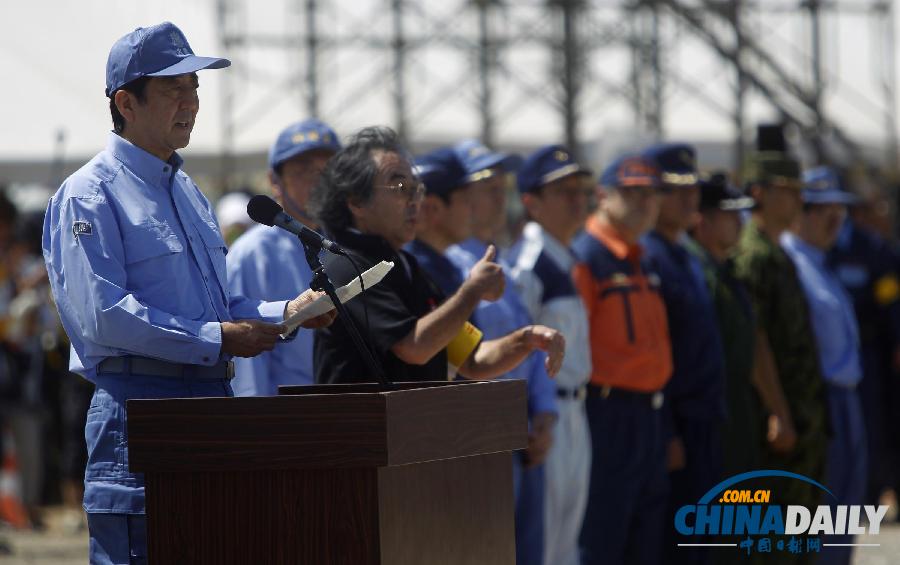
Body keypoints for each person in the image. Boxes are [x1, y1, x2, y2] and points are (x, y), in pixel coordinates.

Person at [41, 23, 335, 564]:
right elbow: (104, 318)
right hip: (139, 415)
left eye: (195, 88)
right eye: (176, 89)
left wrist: (287, 313)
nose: (192, 103)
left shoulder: (188, 192)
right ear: (126, 103)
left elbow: (217, 306)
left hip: (208, 412)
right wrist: (219, 337)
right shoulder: (88, 196)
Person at [309, 126, 565, 387]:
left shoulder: (405, 265)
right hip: (360, 426)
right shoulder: (345, 265)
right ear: (357, 202)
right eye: (400, 187)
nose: (414, 202)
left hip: (409, 425)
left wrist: (526, 340)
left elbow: (472, 360)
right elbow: (414, 347)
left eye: (416, 190)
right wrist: (473, 290)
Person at [422, 140, 559, 565]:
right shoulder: (433, 268)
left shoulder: (480, 265)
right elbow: (460, 358)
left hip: (516, 435)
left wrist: (542, 413)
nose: (500, 197)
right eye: (480, 188)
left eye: (504, 187)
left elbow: (474, 353)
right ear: (436, 204)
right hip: (472, 442)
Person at [572, 154, 672, 565]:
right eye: (632, 193)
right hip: (607, 413)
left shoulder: (643, 256)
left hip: (650, 415)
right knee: (604, 538)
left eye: (651, 194)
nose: (646, 203)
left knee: (646, 541)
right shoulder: (587, 257)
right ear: (603, 197)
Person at [731, 152, 828, 565]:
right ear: (759, 193)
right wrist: (778, 412)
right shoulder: (753, 257)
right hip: (778, 428)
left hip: (803, 421)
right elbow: (755, 342)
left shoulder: (780, 254)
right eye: (787, 191)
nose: (797, 202)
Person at [640, 143, 726, 565]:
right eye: (675, 189)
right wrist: (668, 430)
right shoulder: (648, 256)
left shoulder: (686, 256)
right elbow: (654, 353)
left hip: (706, 422)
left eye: (692, 187)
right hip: (677, 423)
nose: (688, 197)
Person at [508, 144, 593, 565]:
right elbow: (517, 346)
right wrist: (530, 417)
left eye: (581, 189)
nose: (578, 199)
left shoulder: (565, 256)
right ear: (532, 202)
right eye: (563, 191)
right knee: (545, 549)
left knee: (567, 547)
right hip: (547, 418)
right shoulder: (530, 263)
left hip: (576, 411)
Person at [781, 173, 865, 565]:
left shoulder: (821, 263)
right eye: (822, 209)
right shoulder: (790, 264)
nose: (834, 218)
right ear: (798, 212)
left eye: (839, 209)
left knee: (842, 516)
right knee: (817, 518)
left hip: (846, 400)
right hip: (818, 402)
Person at [226, 119, 341, 395]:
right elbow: (247, 369)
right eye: (303, 171)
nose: (318, 180)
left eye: (327, 170)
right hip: (287, 421)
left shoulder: (341, 245)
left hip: (345, 414)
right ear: (275, 181)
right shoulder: (252, 254)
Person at [686, 174, 764, 478]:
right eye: (730, 214)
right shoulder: (696, 272)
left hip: (738, 407)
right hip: (710, 413)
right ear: (703, 220)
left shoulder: (727, 270)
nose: (740, 223)